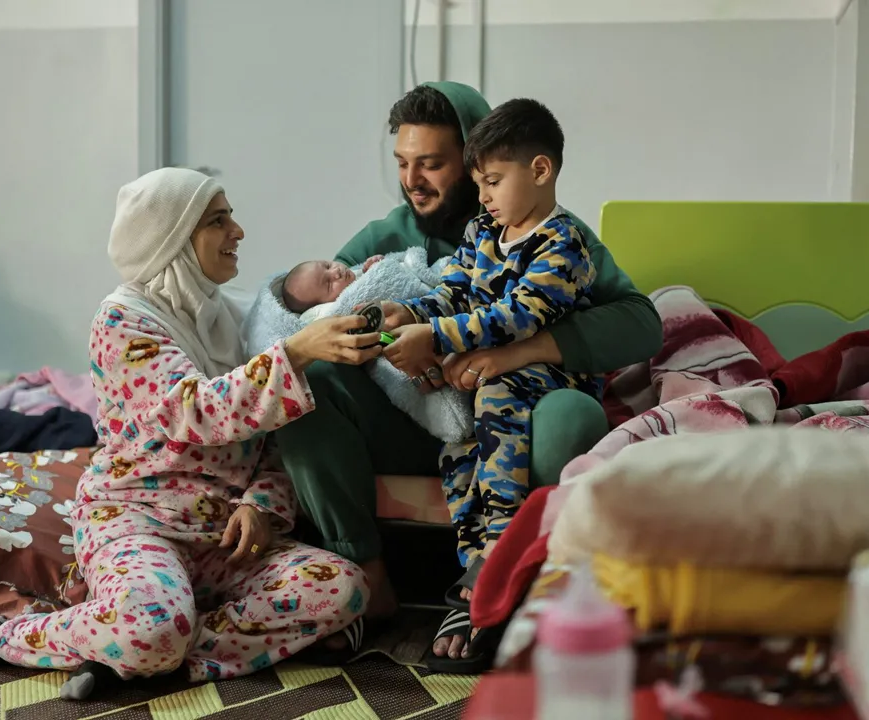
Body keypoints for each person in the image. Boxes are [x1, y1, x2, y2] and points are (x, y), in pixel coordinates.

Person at [0, 168, 382, 699]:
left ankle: (145, 657)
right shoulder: (122, 322)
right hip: (136, 522)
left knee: (342, 587)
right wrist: (300, 351)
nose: (238, 231)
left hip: (221, 536)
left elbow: (273, 440)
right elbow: (193, 410)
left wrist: (261, 505)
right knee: (153, 625)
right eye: (218, 220)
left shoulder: (235, 316)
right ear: (173, 239)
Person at [275, 81, 664, 667]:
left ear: (476, 157)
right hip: (410, 415)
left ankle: (502, 574)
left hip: (506, 406)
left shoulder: (556, 235)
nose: (414, 179)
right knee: (303, 390)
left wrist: (521, 351)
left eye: (433, 163)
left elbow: (640, 324)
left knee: (559, 412)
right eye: (404, 163)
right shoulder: (386, 238)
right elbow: (322, 324)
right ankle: (366, 582)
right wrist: (390, 337)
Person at [379, 98, 603, 669]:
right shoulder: (484, 230)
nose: (483, 196)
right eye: (478, 182)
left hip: (547, 375)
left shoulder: (564, 244)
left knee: (499, 395)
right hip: (484, 372)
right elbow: (455, 291)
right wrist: (411, 316)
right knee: (455, 433)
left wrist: (437, 336)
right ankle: (476, 563)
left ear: (540, 171)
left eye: (493, 181)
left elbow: (518, 316)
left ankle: (500, 553)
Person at [281, 255, 385, 314]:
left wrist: (376, 265)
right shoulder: (350, 309)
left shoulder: (360, 272)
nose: (336, 272)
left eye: (328, 266)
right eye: (329, 284)